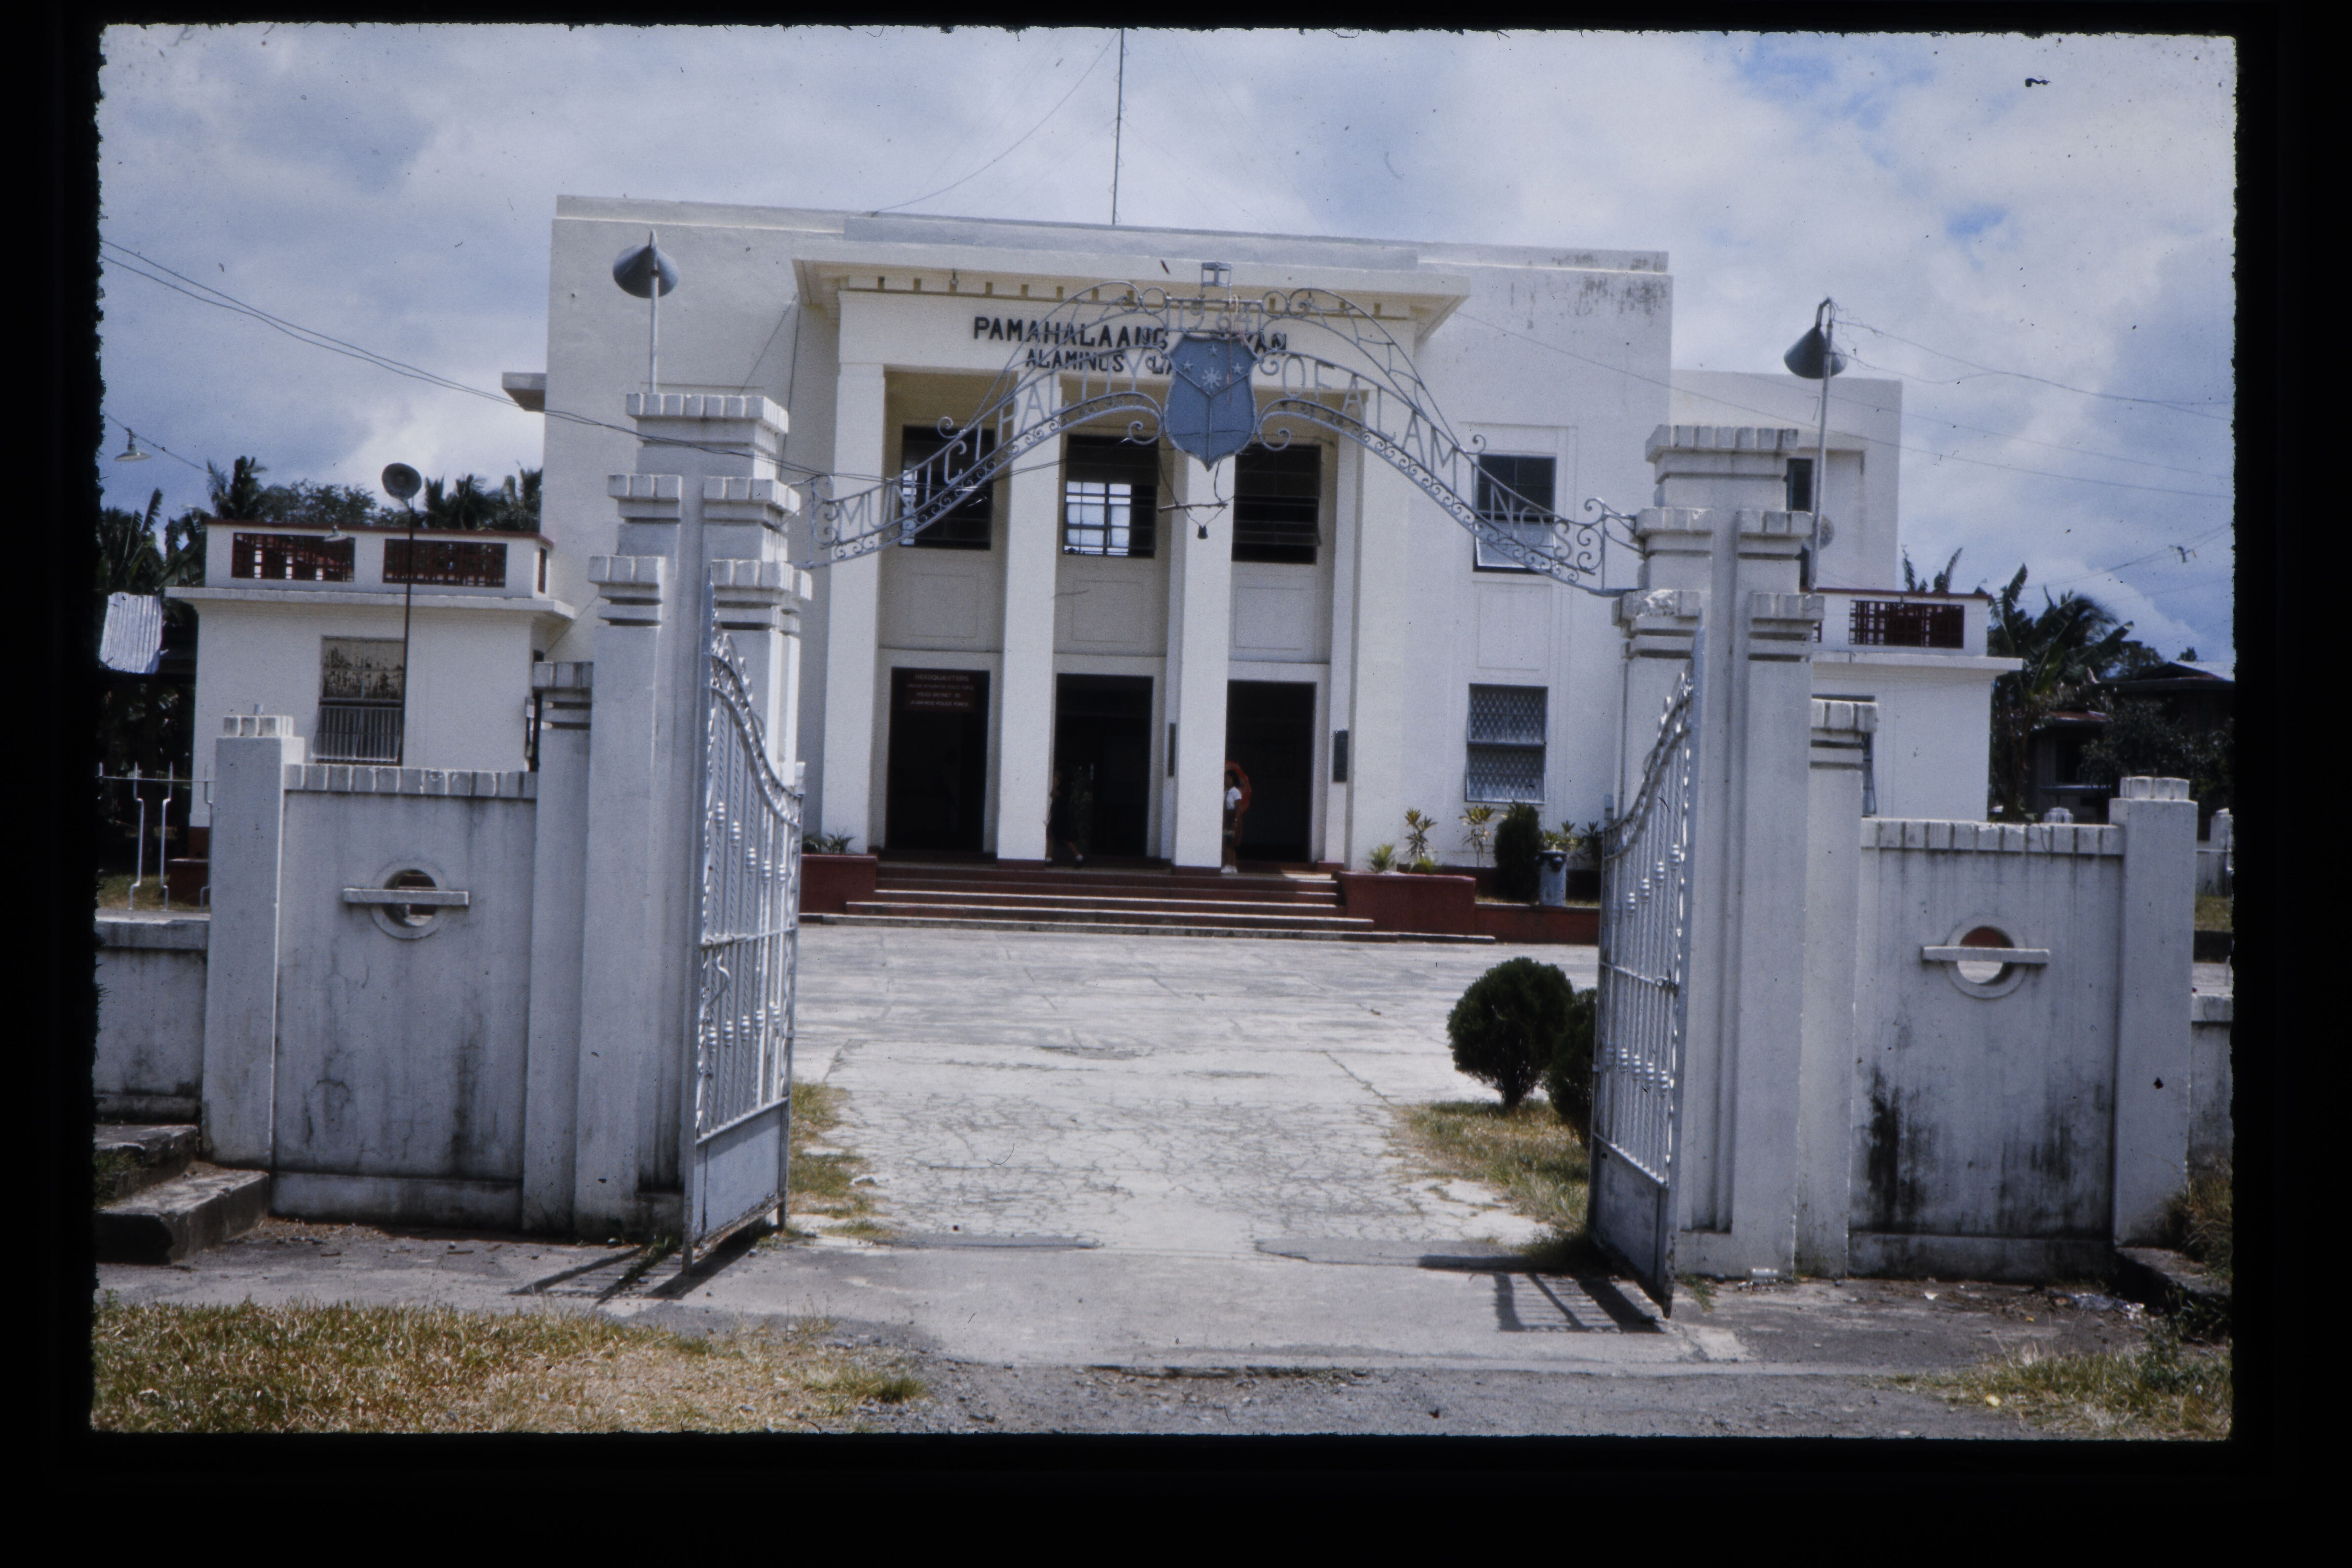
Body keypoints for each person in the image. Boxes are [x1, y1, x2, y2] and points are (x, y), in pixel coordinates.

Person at [1220, 761, 1251, 874]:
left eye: (1229, 778)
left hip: (1233, 819)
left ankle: (1230, 865)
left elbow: (1238, 808)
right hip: (1227, 818)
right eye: (1225, 778)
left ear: (1233, 780)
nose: (1226, 780)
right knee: (1227, 843)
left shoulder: (1236, 792)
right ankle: (1231, 866)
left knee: (1230, 843)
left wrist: (1236, 820)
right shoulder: (1225, 792)